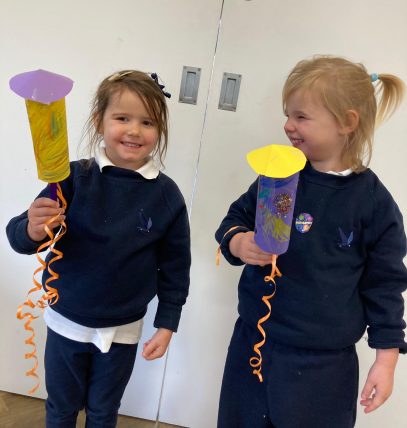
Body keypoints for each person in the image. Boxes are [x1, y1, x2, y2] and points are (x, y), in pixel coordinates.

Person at [215, 56, 407, 428]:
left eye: (301, 117)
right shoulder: (279, 174)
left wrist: (386, 362)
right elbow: (233, 221)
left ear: (347, 122)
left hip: (323, 368)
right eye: (287, 115)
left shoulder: (374, 205)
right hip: (253, 346)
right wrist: (240, 244)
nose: (288, 125)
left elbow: (385, 287)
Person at [7, 70, 191, 428]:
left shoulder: (167, 196)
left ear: (160, 131)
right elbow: (19, 236)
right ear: (99, 121)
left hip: (123, 329)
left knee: (104, 411)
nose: (134, 131)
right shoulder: (71, 178)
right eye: (122, 118)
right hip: (65, 323)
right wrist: (31, 227)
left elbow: (175, 267)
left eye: (147, 122)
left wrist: (167, 323)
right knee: (61, 408)